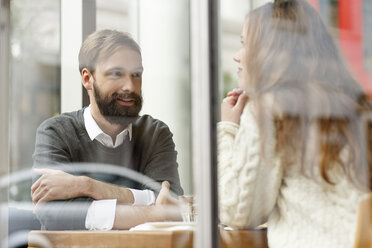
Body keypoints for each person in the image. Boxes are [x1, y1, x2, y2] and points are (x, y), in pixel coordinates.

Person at [218, 0, 372, 247]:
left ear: (271, 51)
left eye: (246, 44)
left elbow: (235, 210)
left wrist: (228, 128)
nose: (237, 56)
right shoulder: (353, 107)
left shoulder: (270, 107)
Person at [31, 29, 183, 230]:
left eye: (136, 74)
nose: (129, 86)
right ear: (87, 79)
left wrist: (87, 186)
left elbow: (171, 204)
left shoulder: (155, 133)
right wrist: (151, 213)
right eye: (116, 74)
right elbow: (56, 214)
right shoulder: (55, 132)